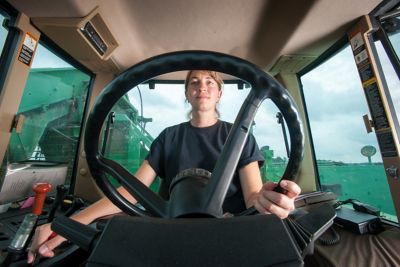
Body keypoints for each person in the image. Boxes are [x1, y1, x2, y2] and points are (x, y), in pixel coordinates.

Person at [27, 70, 301, 263]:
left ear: (219, 93)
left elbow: (253, 195)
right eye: (194, 81)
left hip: (229, 232)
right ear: (187, 93)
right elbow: (132, 191)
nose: (201, 86)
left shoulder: (241, 136)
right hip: (171, 231)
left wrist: (270, 201)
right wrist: (66, 225)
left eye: (209, 81)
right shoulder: (169, 136)